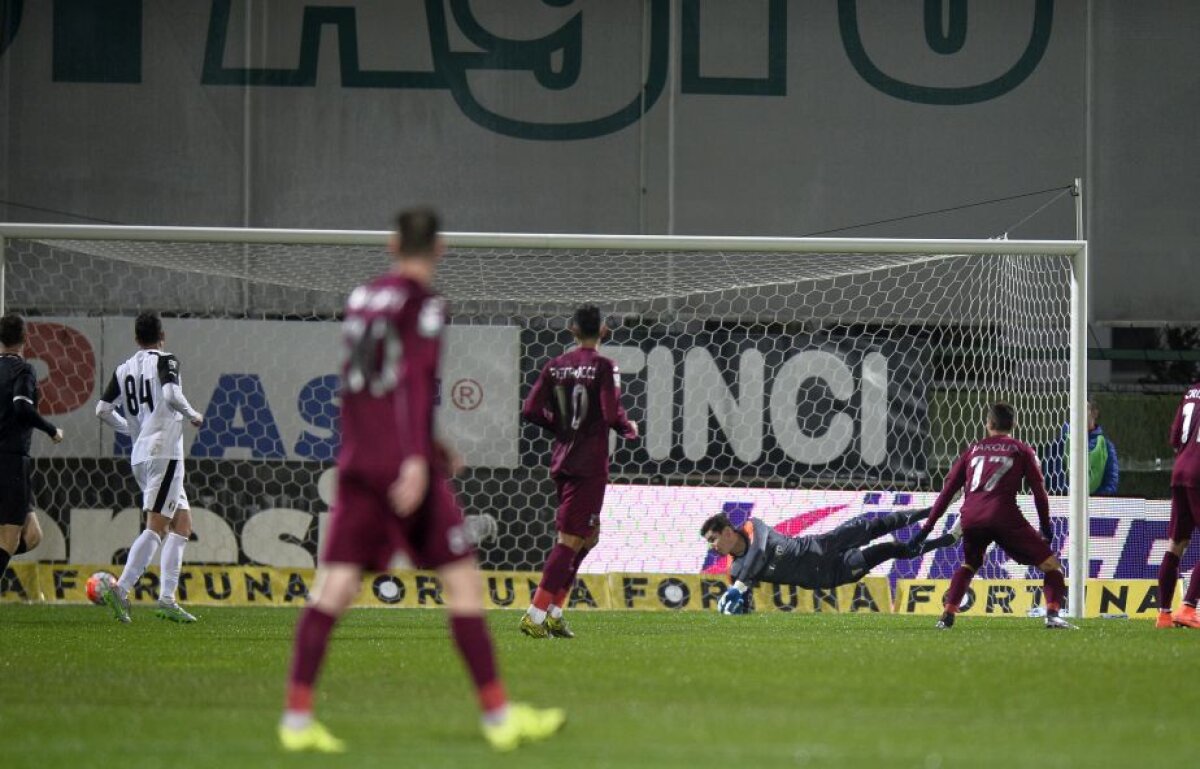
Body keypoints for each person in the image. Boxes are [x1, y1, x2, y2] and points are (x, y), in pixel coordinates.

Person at [278, 208, 565, 754]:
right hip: (402, 465)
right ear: (440, 248)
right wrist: (415, 457)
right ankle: (499, 717)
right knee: (461, 582)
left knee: (333, 588)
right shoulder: (424, 305)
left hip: (360, 460)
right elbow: (412, 378)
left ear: (391, 243)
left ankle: (296, 720)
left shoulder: (362, 299)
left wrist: (418, 446)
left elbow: (364, 384)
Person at [519, 305, 638, 639]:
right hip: (588, 464)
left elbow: (530, 409)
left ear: (572, 329)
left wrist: (559, 426)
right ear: (603, 331)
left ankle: (555, 611)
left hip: (562, 459)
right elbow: (611, 411)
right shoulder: (604, 365)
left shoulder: (555, 365)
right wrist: (630, 428)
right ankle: (535, 613)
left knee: (587, 537)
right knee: (570, 540)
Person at [915, 402, 1075, 629]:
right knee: (1052, 566)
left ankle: (947, 616)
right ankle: (1052, 615)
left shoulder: (972, 450)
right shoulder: (1021, 449)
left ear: (988, 423)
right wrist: (1046, 529)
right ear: (1014, 424)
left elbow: (948, 491)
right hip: (1004, 516)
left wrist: (927, 528)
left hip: (971, 517)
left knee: (969, 564)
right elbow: (1040, 493)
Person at [94, 312, 204, 623]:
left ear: (135, 338)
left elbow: (102, 410)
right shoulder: (165, 360)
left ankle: (167, 599)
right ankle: (121, 589)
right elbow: (170, 393)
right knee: (156, 526)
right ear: (162, 335)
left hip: (142, 454)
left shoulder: (123, 368)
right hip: (164, 453)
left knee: (182, 526)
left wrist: (130, 429)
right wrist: (193, 413)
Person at [700, 507, 957, 613]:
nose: (713, 547)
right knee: (889, 549)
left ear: (726, 532)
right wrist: (736, 608)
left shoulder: (753, 526)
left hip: (822, 546)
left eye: (713, 539)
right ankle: (947, 541)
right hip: (827, 575)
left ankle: (934, 510)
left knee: (874, 527)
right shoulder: (735, 570)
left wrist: (739, 587)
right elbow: (744, 607)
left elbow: (757, 555)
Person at [0, 314, 64, 580]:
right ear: (25, 339)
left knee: (32, 535)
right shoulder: (23, 369)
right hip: (11, 460)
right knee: (9, 540)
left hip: (10, 462)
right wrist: (51, 430)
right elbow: (22, 407)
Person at [1154, 381, 1200, 629]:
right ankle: (1189, 607)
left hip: (1180, 471)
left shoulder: (1191, 392)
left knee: (1177, 544)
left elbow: (1174, 438)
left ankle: (1163, 615)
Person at [1045, 398, 1119, 496]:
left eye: (1083, 409)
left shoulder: (1106, 446)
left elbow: (1111, 482)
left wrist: (1093, 500)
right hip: (1064, 504)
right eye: (1075, 409)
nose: (1078, 413)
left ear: (1095, 413)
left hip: (1096, 506)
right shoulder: (1060, 443)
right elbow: (1050, 477)